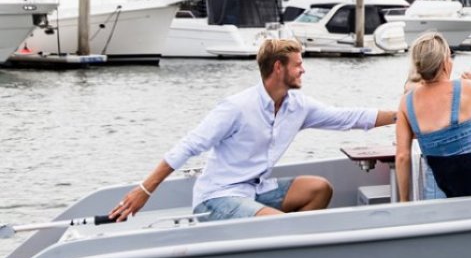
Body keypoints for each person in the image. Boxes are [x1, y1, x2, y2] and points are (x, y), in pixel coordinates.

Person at [109, 39, 397, 222]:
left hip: (257, 190)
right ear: (277, 68)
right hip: (218, 196)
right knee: (278, 224)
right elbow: (187, 147)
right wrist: (144, 191)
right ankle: (279, 238)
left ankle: (284, 245)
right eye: (298, 65)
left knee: (319, 189)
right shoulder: (236, 107)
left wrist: (401, 115)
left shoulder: (298, 106)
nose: (303, 71)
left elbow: (349, 117)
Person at [395, 32, 471, 202]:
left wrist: (403, 200)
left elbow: (402, 156)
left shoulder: (405, 102)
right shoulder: (467, 88)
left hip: (436, 193)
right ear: (444, 62)